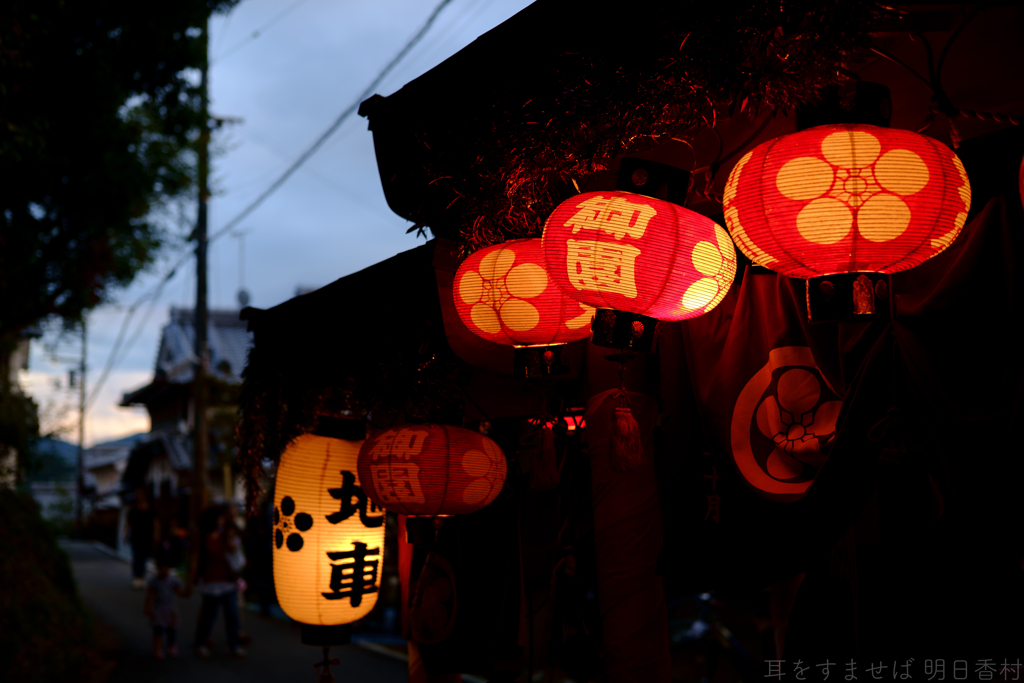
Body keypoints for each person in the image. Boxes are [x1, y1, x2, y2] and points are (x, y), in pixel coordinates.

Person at [193, 507, 246, 659]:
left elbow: (236, 557)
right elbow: (196, 561)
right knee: (208, 615)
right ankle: (201, 642)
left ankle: (234, 645)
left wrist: (232, 546)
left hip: (227, 581)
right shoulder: (204, 538)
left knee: (232, 615)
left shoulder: (226, 536)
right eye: (219, 518)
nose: (222, 521)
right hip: (210, 582)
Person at [143, 552, 187, 659]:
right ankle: (157, 648)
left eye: (165, 568)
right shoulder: (155, 582)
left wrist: (187, 591)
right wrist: (148, 608)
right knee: (158, 630)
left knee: (171, 630)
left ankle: (172, 646)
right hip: (158, 610)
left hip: (170, 609)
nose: (163, 570)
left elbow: (179, 592)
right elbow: (150, 595)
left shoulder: (173, 581)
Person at [127, 487, 157, 589]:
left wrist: (156, 534)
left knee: (144, 557)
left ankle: (142, 577)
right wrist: (125, 534)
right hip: (135, 536)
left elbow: (156, 522)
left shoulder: (151, 509)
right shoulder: (133, 509)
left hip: (146, 537)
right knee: (136, 557)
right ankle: (136, 577)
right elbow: (128, 523)